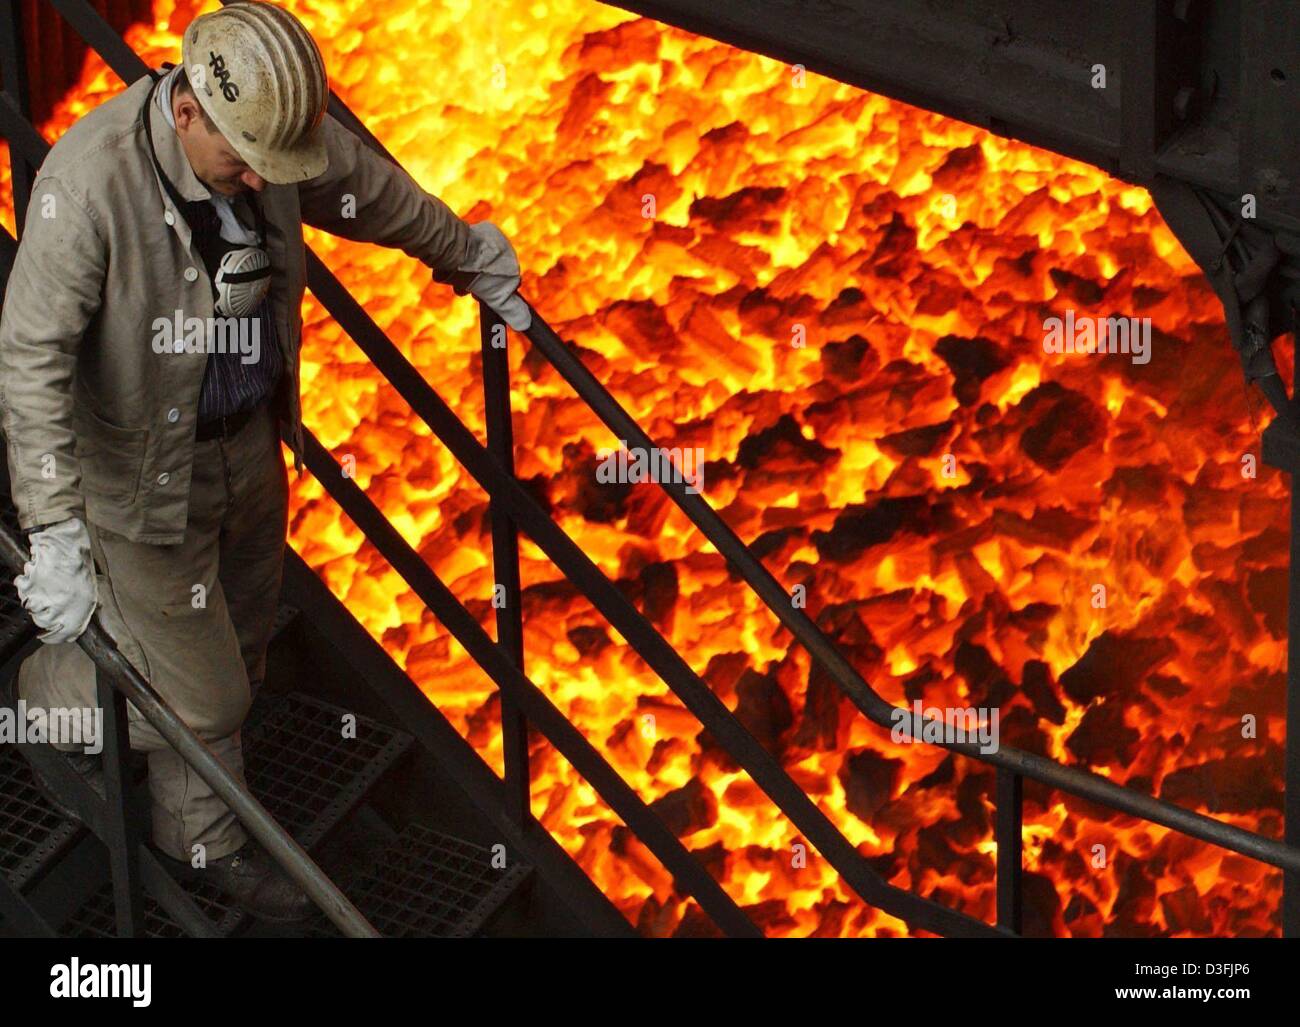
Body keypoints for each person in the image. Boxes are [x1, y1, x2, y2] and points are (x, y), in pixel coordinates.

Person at [0, 0, 529, 923]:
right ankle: (183, 823)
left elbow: (364, 187)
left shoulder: (263, 141)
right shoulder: (86, 191)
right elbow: (31, 358)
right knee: (205, 697)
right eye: (241, 161)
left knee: (240, 636)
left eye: (269, 168)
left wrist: (465, 255)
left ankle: (170, 760)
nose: (257, 180)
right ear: (188, 108)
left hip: (246, 440)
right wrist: (52, 531)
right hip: (136, 481)